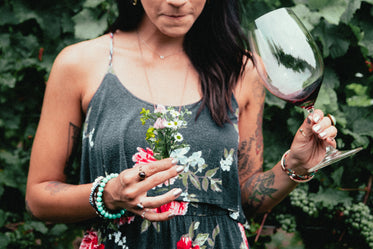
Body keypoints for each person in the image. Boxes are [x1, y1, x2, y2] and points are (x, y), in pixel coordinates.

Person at [25, 0, 338, 248]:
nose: (177, 1)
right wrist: (107, 194)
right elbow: (39, 197)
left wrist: (294, 166)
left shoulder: (240, 70)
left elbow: (241, 198)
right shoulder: (81, 64)